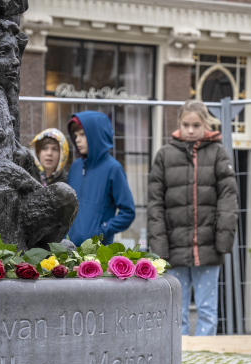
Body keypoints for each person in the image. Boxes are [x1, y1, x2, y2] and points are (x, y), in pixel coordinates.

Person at [148, 100, 238, 336]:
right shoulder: (164, 156)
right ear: (179, 124)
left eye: (196, 125)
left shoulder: (218, 153)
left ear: (205, 124)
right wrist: (159, 246)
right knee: (177, 308)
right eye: (186, 124)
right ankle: (180, 357)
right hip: (174, 248)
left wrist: (223, 241)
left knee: (208, 308)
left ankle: (206, 359)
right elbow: (155, 204)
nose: (190, 130)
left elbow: (228, 198)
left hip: (208, 247)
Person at [66, 111, 135, 245]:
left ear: (96, 135)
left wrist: (101, 231)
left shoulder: (113, 169)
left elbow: (128, 212)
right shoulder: (75, 167)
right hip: (69, 250)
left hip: (97, 253)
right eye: (75, 135)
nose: (77, 139)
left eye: (82, 134)